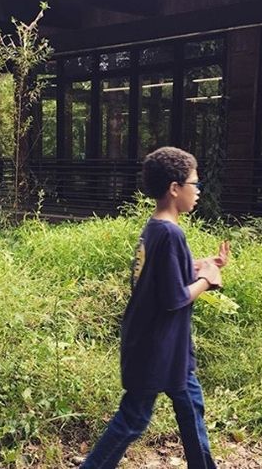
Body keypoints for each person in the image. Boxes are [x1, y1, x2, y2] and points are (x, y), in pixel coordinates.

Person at [82, 147, 230, 469]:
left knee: (192, 410)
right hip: (156, 347)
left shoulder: (156, 228)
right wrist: (208, 279)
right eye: (195, 184)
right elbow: (173, 297)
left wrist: (201, 264)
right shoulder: (170, 232)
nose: (198, 192)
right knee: (133, 419)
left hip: (169, 347)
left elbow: (161, 276)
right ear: (175, 189)